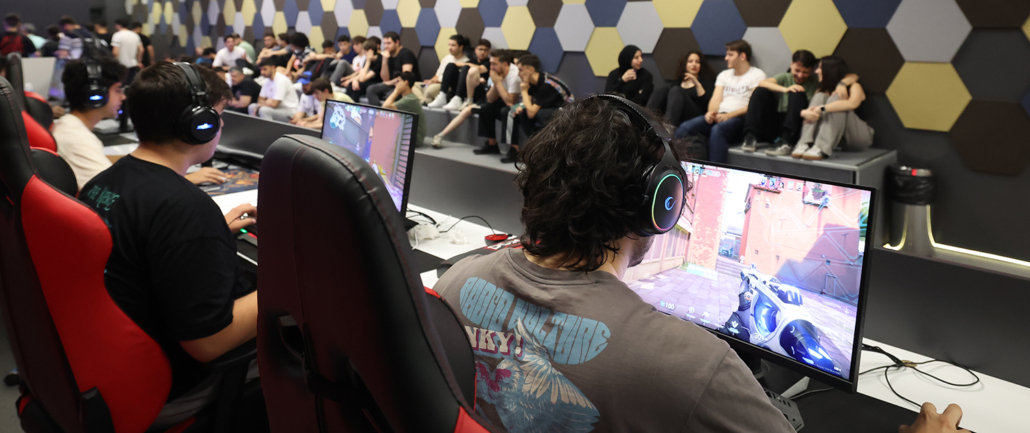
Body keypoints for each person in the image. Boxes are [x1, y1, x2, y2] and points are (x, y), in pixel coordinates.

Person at [79, 62, 259, 430]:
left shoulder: (103, 182)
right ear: (197, 123)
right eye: (218, 116)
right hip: (166, 387)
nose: (221, 126)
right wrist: (292, 280)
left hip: (100, 366)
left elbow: (139, 249)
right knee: (299, 338)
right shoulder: (184, 208)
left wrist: (208, 235)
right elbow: (207, 343)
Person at [675, 39, 765, 163]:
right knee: (685, 128)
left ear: (742, 56)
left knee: (717, 130)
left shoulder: (757, 75)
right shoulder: (724, 75)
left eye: (730, 55)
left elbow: (753, 105)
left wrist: (729, 115)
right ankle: (677, 165)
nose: (726, 58)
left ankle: (716, 170)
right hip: (719, 115)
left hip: (740, 118)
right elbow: (715, 100)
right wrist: (711, 113)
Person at [52, 57, 126, 189]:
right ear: (96, 94)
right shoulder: (78, 141)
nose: (123, 97)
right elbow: (114, 192)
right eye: (117, 90)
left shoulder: (69, 127)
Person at [790, 56, 873, 161]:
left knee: (837, 99)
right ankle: (805, 143)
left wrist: (823, 108)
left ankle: (821, 148)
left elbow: (852, 104)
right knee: (819, 96)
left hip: (857, 139)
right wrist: (804, 113)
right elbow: (813, 109)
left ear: (829, 71)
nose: (816, 71)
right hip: (837, 142)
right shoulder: (821, 90)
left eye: (820, 68)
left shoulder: (854, 86)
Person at [444, 49, 519, 151]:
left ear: (505, 64)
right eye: (490, 63)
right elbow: (490, 99)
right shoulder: (496, 72)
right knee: (485, 108)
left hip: (519, 105)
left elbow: (511, 102)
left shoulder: (514, 76)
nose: (491, 67)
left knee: (507, 111)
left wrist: (498, 82)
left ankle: (514, 149)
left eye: (494, 64)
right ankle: (492, 144)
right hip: (504, 100)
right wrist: (496, 84)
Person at [498, 54, 565, 163]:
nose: (518, 74)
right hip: (545, 108)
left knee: (538, 115)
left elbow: (531, 113)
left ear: (531, 70)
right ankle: (527, 149)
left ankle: (546, 153)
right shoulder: (532, 82)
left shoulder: (546, 85)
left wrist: (523, 91)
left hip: (564, 111)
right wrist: (520, 107)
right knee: (516, 112)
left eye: (520, 70)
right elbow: (528, 101)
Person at [648, 50, 716, 127]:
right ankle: (646, 120)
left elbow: (707, 105)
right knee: (662, 89)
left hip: (696, 117)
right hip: (677, 114)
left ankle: (668, 127)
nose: (694, 64)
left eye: (697, 62)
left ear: (701, 65)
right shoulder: (678, 81)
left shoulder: (706, 82)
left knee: (676, 90)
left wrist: (697, 84)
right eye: (690, 61)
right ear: (685, 64)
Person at [366, 31, 420, 106]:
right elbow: (385, 78)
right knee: (371, 89)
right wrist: (384, 61)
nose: (386, 46)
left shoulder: (406, 54)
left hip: (404, 85)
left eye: (389, 43)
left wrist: (390, 82)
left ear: (397, 42)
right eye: (385, 43)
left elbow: (406, 77)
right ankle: (377, 111)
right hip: (393, 84)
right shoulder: (388, 55)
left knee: (389, 95)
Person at [424, 34, 470, 108]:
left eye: (453, 45)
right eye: (449, 45)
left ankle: (426, 102)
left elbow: (455, 80)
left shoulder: (466, 62)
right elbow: (437, 75)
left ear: (461, 47)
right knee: (414, 86)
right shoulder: (447, 58)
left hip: (445, 86)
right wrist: (430, 81)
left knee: (430, 91)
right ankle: (424, 101)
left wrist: (437, 81)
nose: (450, 48)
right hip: (436, 82)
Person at [383, 71, 426, 147]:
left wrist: (396, 91)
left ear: (405, 82)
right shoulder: (409, 98)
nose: (395, 84)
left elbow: (385, 106)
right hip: (408, 134)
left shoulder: (410, 100)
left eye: (398, 81)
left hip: (415, 139)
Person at [250, 57, 299, 121]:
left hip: (289, 111)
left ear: (273, 68)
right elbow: (260, 100)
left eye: (264, 69)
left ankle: (268, 128)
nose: (262, 72)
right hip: (275, 109)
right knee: (252, 106)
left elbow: (274, 104)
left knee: (264, 110)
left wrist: (266, 103)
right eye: (261, 70)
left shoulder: (281, 80)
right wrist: (267, 102)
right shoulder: (267, 81)